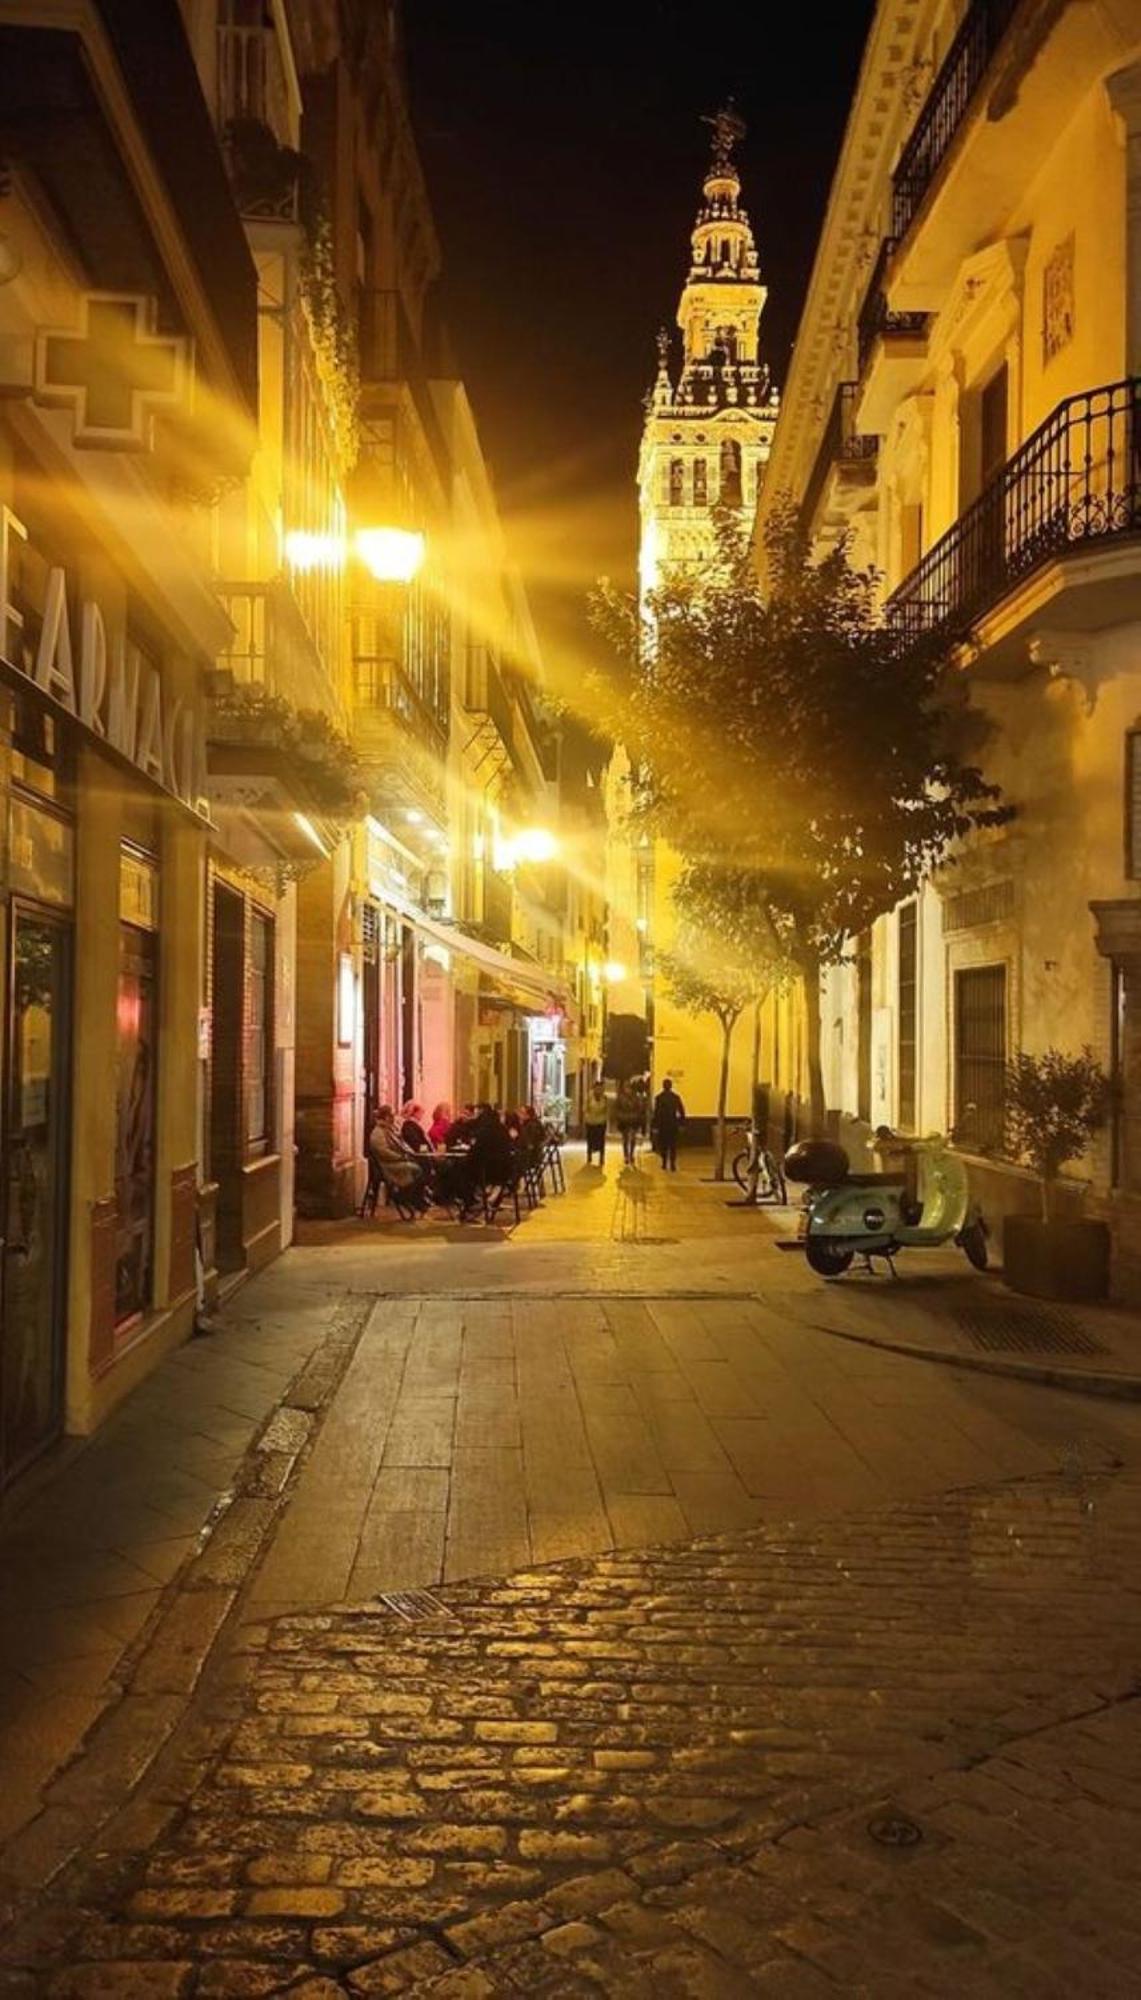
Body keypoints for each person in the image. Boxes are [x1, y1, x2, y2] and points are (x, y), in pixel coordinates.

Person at [369, 1106, 432, 1211]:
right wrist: (400, 1157)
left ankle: (414, 1197)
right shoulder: (378, 1133)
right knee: (416, 1169)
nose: (394, 1117)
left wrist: (409, 1153)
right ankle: (405, 1196)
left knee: (422, 1166)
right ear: (386, 1117)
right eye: (391, 1115)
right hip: (388, 1165)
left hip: (396, 1161)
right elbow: (383, 1151)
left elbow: (402, 1144)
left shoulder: (390, 1129)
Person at [651, 1077, 685, 1172]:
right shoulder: (676, 1097)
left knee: (663, 1145)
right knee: (673, 1145)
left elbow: (656, 1113)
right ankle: (672, 1163)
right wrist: (682, 1123)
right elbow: (681, 1111)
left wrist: (655, 1126)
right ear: (671, 1086)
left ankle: (664, 1162)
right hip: (673, 1124)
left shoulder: (659, 1098)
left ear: (663, 1086)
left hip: (662, 1124)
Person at [615, 1077, 642, 1166]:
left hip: (634, 1120)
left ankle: (631, 1154)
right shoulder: (620, 1098)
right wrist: (619, 1116)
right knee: (625, 1138)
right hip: (624, 1120)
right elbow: (617, 1108)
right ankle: (626, 1155)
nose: (628, 1089)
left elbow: (639, 1108)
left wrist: (638, 1115)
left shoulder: (636, 1098)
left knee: (633, 1138)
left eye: (629, 1087)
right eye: (626, 1087)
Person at [584, 1079, 609, 1166]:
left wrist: (605, 1119)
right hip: (590, 1122)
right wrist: (587, 1117)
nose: (599, 1090)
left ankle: (601, 1157)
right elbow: (585, 1108)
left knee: (601, 1140)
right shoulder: (589, 1097)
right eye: (597, 1088)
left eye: (600, 1088)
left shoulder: (604, 1098)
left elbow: (606, 1110)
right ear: (594, 1088)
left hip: (601, 1122)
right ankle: (589, 1155)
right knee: (590, 1139)